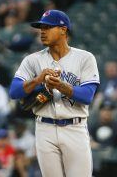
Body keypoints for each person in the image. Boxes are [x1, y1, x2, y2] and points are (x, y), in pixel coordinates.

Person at [9, 9, 100, 177]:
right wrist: (37, 80)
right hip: (45, 128)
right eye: (41, 28)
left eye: (47, 27)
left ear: (63, 30)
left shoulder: (85, 58)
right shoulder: (32, 60)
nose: (42, 32)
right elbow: (14, 91)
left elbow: (87, 96)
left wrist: (60, 85)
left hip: (75, 128)